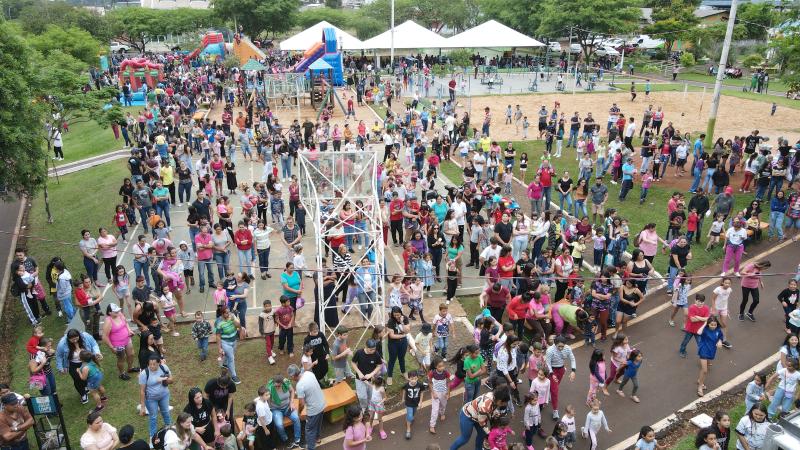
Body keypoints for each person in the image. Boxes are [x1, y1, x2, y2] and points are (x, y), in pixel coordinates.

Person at [449, 384, 511, 450]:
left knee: (482, 434)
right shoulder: (486, 406)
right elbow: (482, 422)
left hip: (478, 416)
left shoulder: (494, 396)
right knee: (465, 438)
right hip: (467, 416)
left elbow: (492, 410)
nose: (506, 404)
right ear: (500, 401)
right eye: (505, 402)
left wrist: (496, 414)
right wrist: (489, 434)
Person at [288, 364, 326, 450]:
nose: (291, 378)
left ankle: (311, 448)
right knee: (318, 423)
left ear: (293, 376)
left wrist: (299, 412)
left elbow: (302, 403)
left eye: (291, 377)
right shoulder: (309, 373)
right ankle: (318, 438)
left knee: (309, 430)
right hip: (322, 403)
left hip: (313, 410)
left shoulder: (299, 386)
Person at [138, 355, 173, 438]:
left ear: (159, 363)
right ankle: (153, 437)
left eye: (154, 364)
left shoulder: (164, 367)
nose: (152, 366)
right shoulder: (144, 373)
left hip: (164, 396)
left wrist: (165, 379)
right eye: (150, 364)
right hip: (150, 399)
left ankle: (170, 431)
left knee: (166, 413)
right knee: (153, 417)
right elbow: (142, 391)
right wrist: (143, 407)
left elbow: (172, 380)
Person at [696, 316, 725, 397]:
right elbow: (698, 332)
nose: (713, 326)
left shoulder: (718, 330)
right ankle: (700, 387)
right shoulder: (705, 330)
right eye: (711, 325)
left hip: (711, 350)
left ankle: (699, 380)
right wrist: (705, 323)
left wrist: (719, 341)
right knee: (705, 370)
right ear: (708, 324)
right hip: (703, 350)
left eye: (715, 325)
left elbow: (721, 337)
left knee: (705, 368)